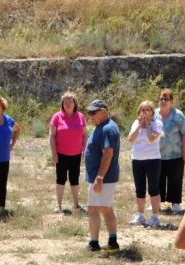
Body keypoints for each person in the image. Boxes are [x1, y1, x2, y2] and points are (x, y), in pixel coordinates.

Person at [84, 99, 120, 252]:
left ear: (104, 111)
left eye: (94, 112)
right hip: (103, 177)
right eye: (89, 113)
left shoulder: (107, 128)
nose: (91, 116)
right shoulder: (104, 126)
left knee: (93, 209)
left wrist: (99, 178)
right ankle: (112, 242)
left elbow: (108, 154)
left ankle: (94, 243)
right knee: (106, 209)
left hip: (102, 178)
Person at [49, 92, 87, 213]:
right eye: (65, 101)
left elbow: (84, 135)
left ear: (75, 103)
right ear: (62, 103)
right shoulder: (57, 117)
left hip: (76, 154)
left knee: (74, 179)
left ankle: (76, 205)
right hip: (61, 154)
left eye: (70, 101)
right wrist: (54, 153)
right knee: (61, 179)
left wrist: (85, 151)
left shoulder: (80, 116)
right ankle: (58, 205)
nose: (68, 103)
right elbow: (52, 136)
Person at [128, 101, 164, 228]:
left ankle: (155, 217)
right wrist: (139, 126)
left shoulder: (157, 124)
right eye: (142, 110)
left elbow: (152, 138)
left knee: (153, 188)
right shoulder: (135, 123)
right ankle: (140, 215)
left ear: (152, 112)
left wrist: (148, 125)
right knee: (140, 189)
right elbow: (130, 139)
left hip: (153, 159)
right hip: (137, 159)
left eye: (147, 110)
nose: (144, 112)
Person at [156, 89, 185, 215]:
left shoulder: (178, 115)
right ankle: (156, 202)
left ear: (171, 101)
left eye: (166, 99)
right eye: (161, 99)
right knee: (157, 179)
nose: (163, 101)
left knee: (175, 179)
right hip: (156, 155)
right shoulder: (154, 114)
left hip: (176, 155)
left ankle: (175, 203)